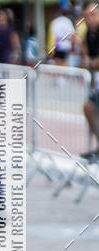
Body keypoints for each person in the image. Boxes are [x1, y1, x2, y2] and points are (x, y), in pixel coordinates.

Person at [81, 0, 99, 159]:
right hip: (96, 85)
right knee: (88, 107)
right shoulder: (88, 34)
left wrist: (91, 63)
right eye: (86, 16)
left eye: (92, 15)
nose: (89, 19)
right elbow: (84, 55)